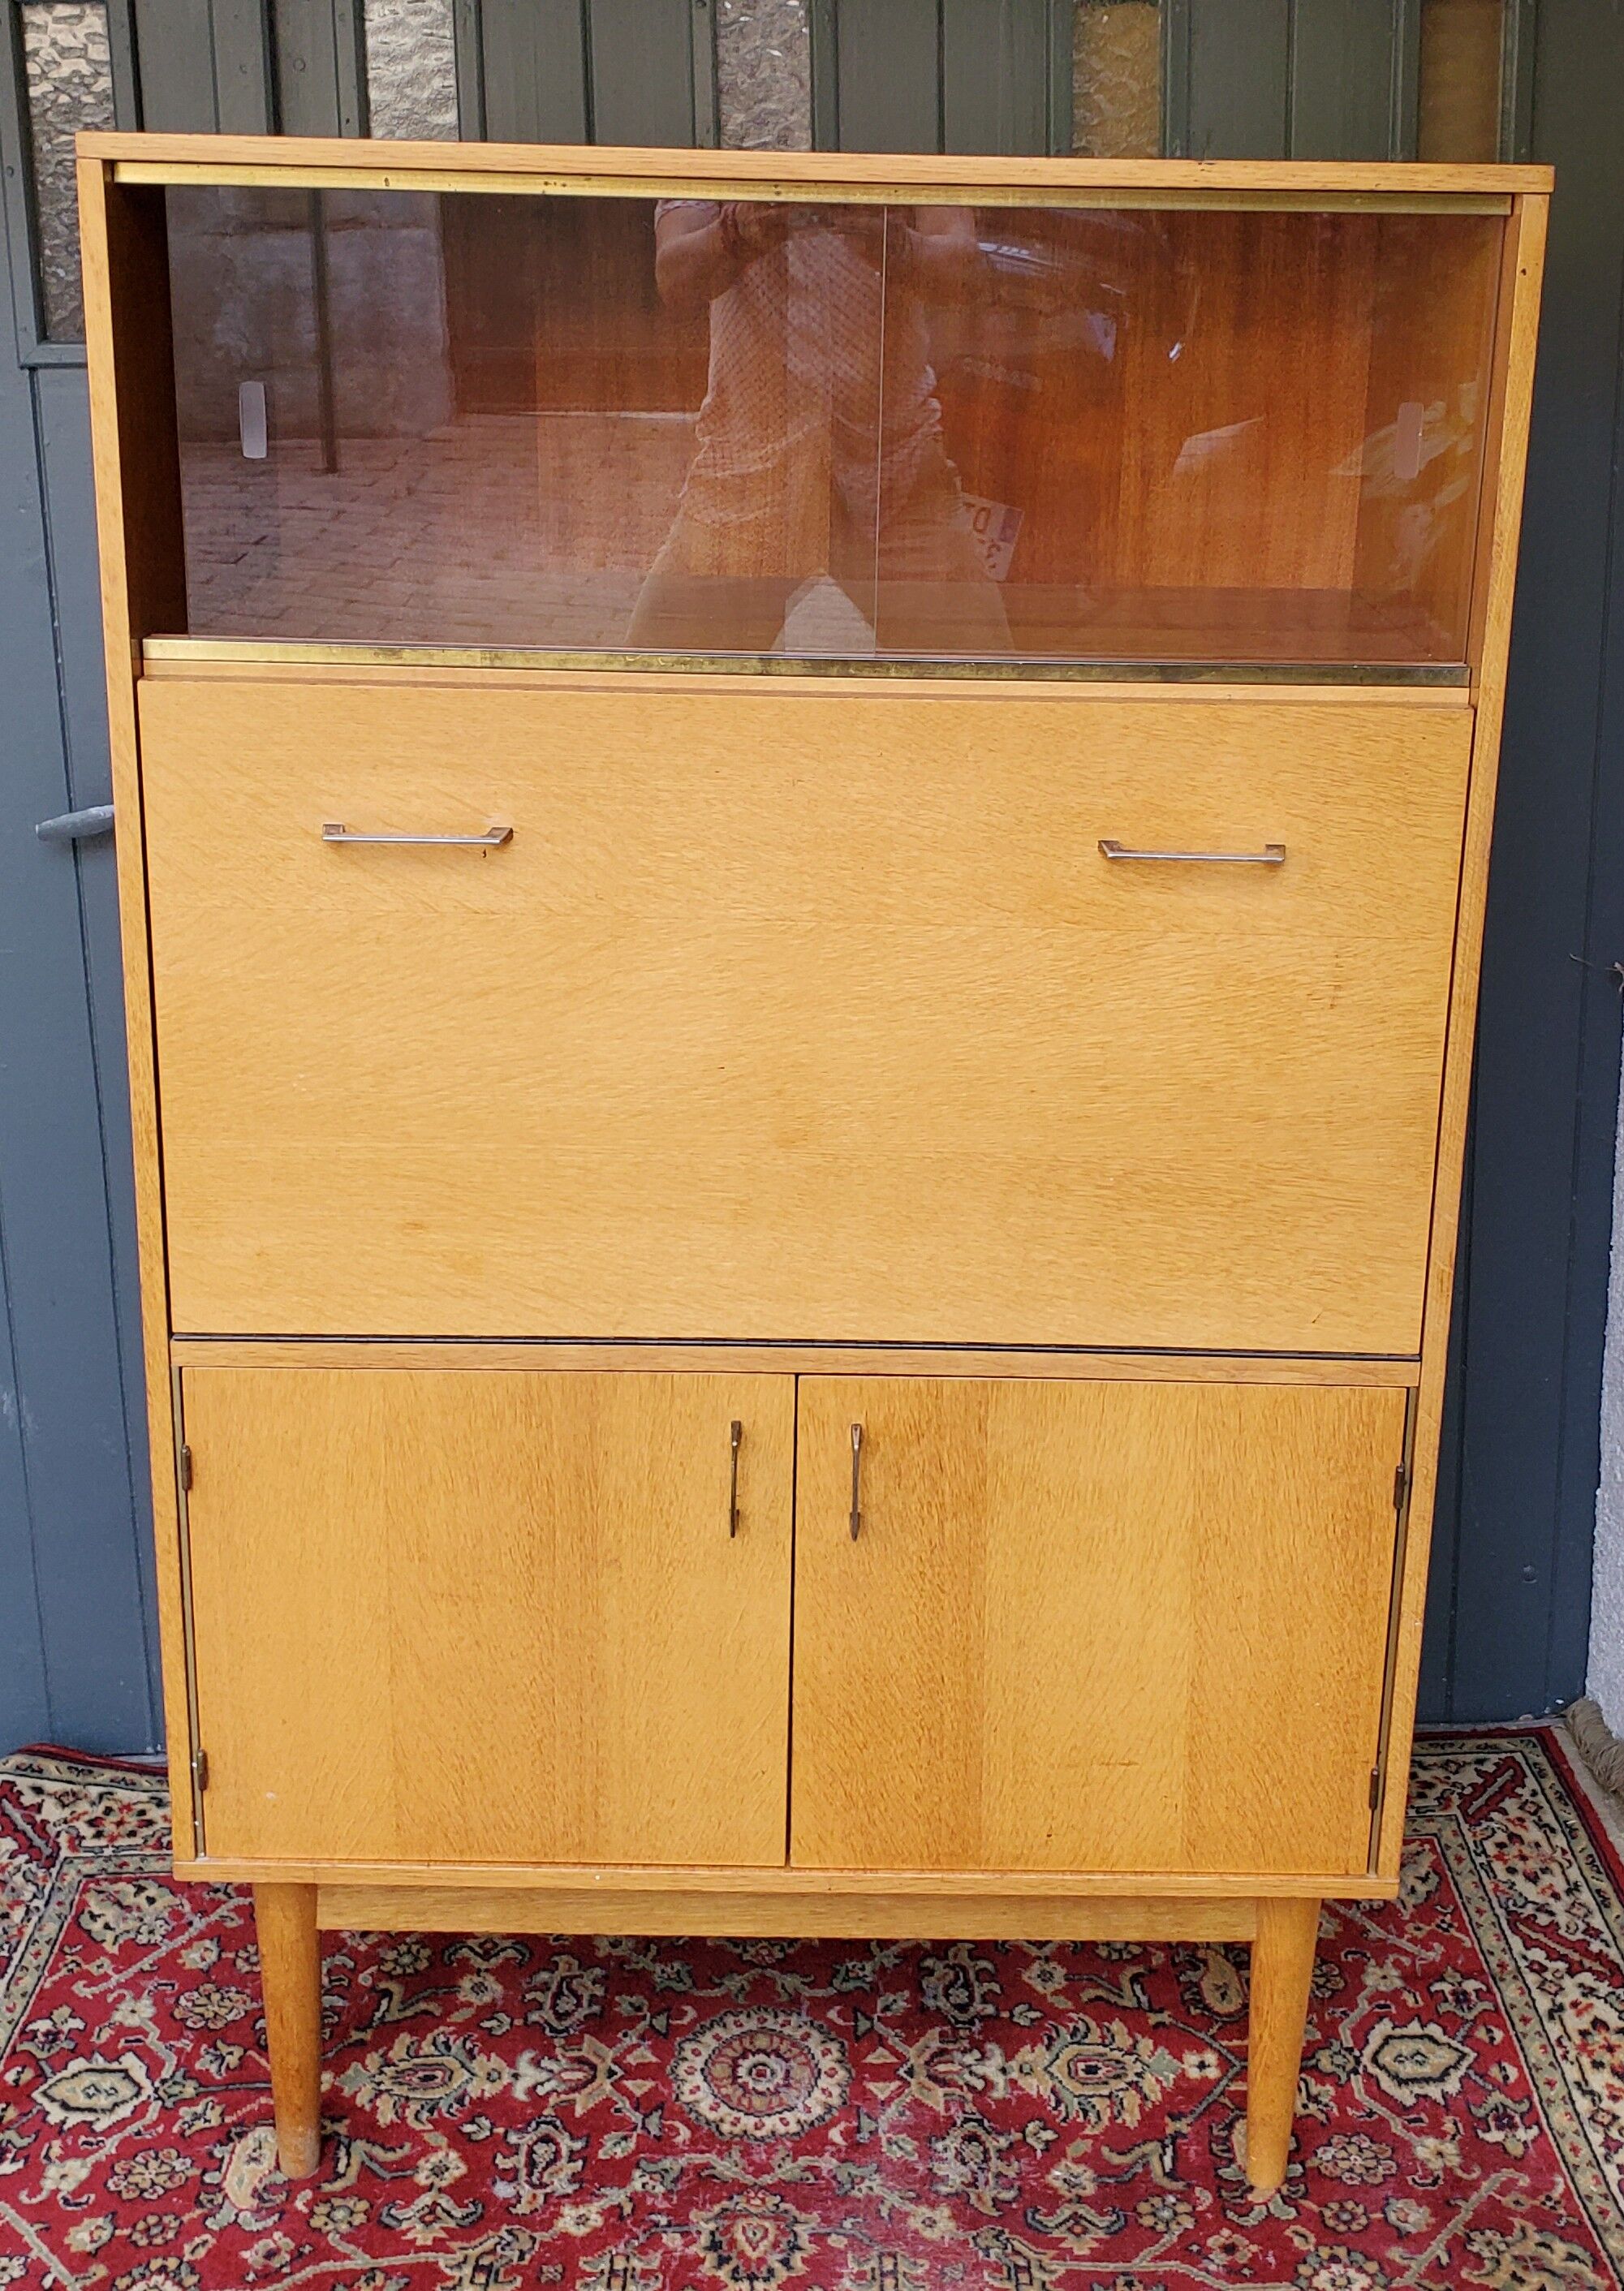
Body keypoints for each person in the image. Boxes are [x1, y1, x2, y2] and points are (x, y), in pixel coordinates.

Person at [627, 199, 1010, 657]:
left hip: (893, 471)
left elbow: (963, 270)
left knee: (981, 685)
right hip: (752, 475)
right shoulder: (731, 153)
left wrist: (897, 246)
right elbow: (674, 279)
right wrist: (737, 232)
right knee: (662, 687)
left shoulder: (904, 154)